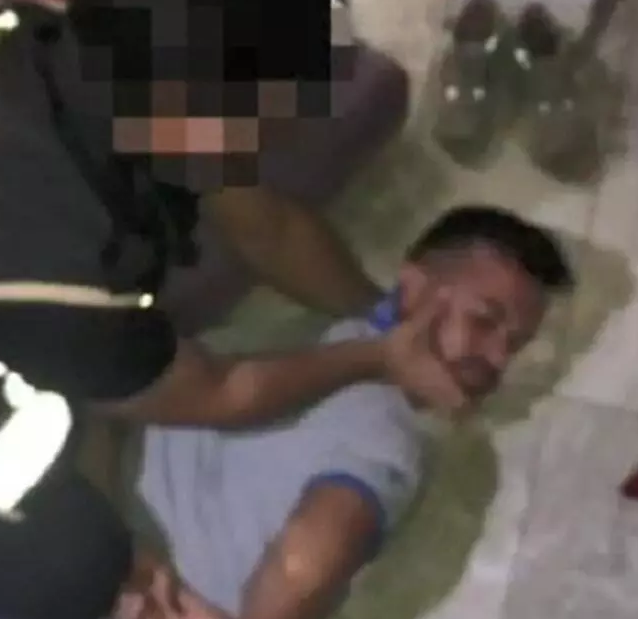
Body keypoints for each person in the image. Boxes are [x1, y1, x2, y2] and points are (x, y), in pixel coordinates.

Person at [0, 0, 468, 618]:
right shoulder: (67, 272)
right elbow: (218, 393)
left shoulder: (29, 31)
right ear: (185, 107)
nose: (280, 134)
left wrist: (384, 315)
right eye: (266, 119)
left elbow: (264, 222)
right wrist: (376, 358)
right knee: (78, 562)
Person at [123, 206, 573, 619]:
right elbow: (298, 573)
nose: (497, 359)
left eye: (514, 345)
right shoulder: (389, 439)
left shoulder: (280, 329)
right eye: (483, 321)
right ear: (413, 286)